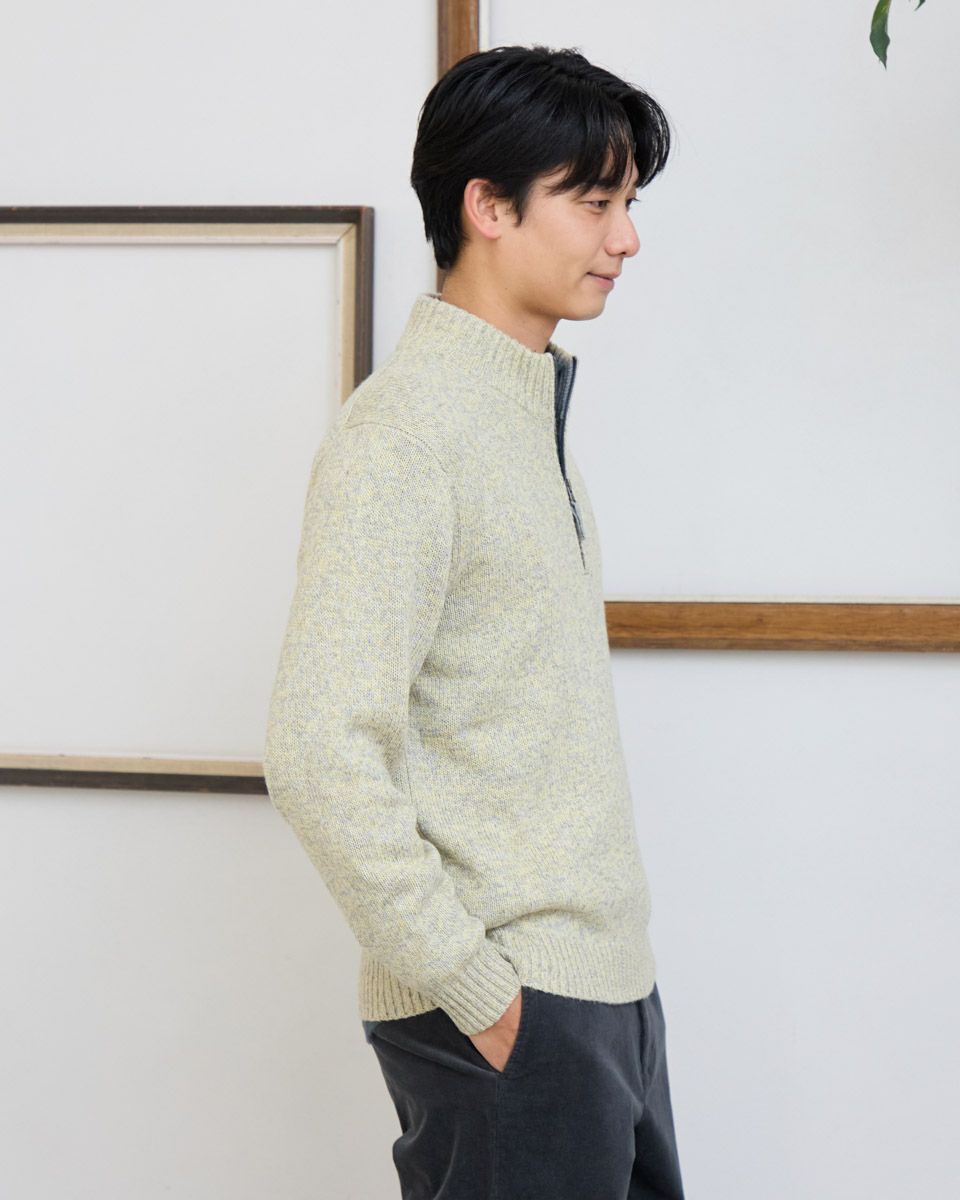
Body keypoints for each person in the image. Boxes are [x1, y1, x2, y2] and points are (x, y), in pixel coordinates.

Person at [262, 42, 684, 1200]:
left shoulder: (521, 415)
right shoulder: (404, 436)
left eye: (630, 204)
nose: (625, 239)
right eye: (594, 202)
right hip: (512, 1009)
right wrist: (480, 992)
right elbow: (316, 750)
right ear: (487, 207)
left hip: (605, 996)